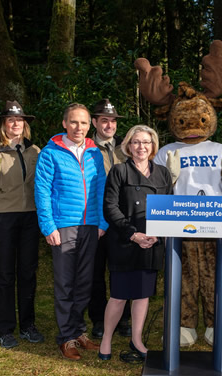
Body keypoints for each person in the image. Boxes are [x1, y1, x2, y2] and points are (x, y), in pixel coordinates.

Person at [35, 103, 108, 360]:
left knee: (85, 282)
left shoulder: (94, 153)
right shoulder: (50, 153)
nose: (79, 127)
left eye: (84, 123)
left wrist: (102, 223)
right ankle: (66, 337)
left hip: (91, 226)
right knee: (65, 283)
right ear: (65, 123)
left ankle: (79, 331)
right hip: (63, 226)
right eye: (74, 122)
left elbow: (101, 188)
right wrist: (49, 226)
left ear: (91, 126)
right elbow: (42, 191)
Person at [99, 125, 172, 361]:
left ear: (153, 147)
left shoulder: (163, 173)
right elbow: (110, 208)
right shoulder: (119, 171)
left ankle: (137, 339)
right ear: (128, 146)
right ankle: (106, 338)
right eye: (136, 142)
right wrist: (133, 235)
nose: (142, 147)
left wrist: (157, 235)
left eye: (146, 142)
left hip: (152, 242)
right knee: (119, 295)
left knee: (142, 294)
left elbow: (170, 208)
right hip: (125, 241)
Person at [0, 100, 44, 349]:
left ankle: (28, 325)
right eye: (11, 120)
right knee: (5, 275)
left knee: (27, 272)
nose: (16, 124)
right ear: (3, 124)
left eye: (20, 120)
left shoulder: (36, 152)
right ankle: (4, 327)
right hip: (3, 218)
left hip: (30, 218)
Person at [89, 98, 131, 339]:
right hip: (95, 219)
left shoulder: (125, 147)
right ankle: (97, 318)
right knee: (96, 271)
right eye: (104, 120)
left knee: (121, 271)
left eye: (113, 121)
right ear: (94, 122)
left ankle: (123, 319)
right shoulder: (85, 147)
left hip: (121, 220)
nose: (109, 125)